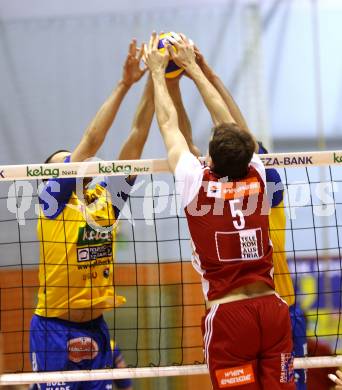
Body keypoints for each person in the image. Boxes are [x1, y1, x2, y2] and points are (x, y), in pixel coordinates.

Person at [144, 32, 295, 389]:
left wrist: (156, 74)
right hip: (273, 310)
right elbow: (227, 121)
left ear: (210, 156)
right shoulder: (258, 174)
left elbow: (168, 125)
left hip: (230, 315)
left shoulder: (195, 181)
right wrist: (195, 69)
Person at [179, 41, 307, 389]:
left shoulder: (263, 182)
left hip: (280, 305)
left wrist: (206, 75)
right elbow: (215, 136)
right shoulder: (221, 185)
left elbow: (238, 131)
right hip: (262, 305)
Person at [30, 39, 153, 390]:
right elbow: (93, 140)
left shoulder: (104, 201)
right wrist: (123, 84)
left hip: (96, 329)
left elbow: (136, 139)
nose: (76, 160)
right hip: (54, 328)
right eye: (65, 161)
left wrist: (156, 83)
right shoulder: (52, 200)